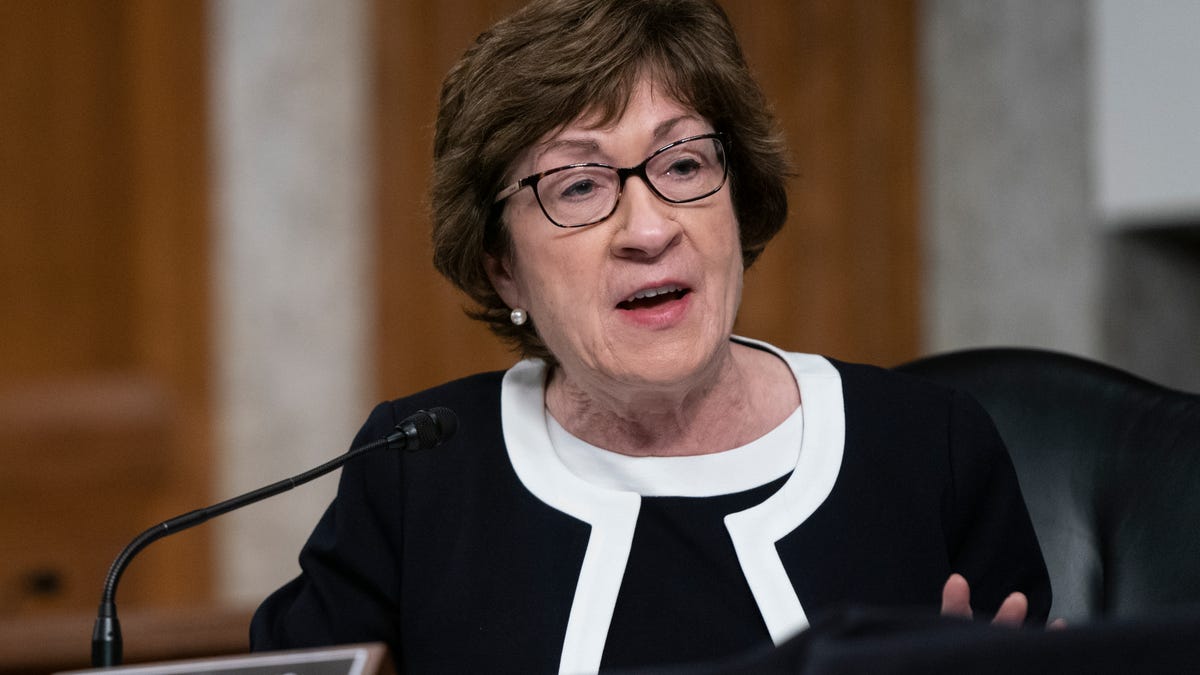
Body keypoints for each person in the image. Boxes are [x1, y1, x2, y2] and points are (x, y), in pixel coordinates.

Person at [250, 0, 1050, 671]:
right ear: (503, 269)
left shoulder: (927, 448)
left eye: (682, 166)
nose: (648, 227)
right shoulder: (418, 472)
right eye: (579, 184)